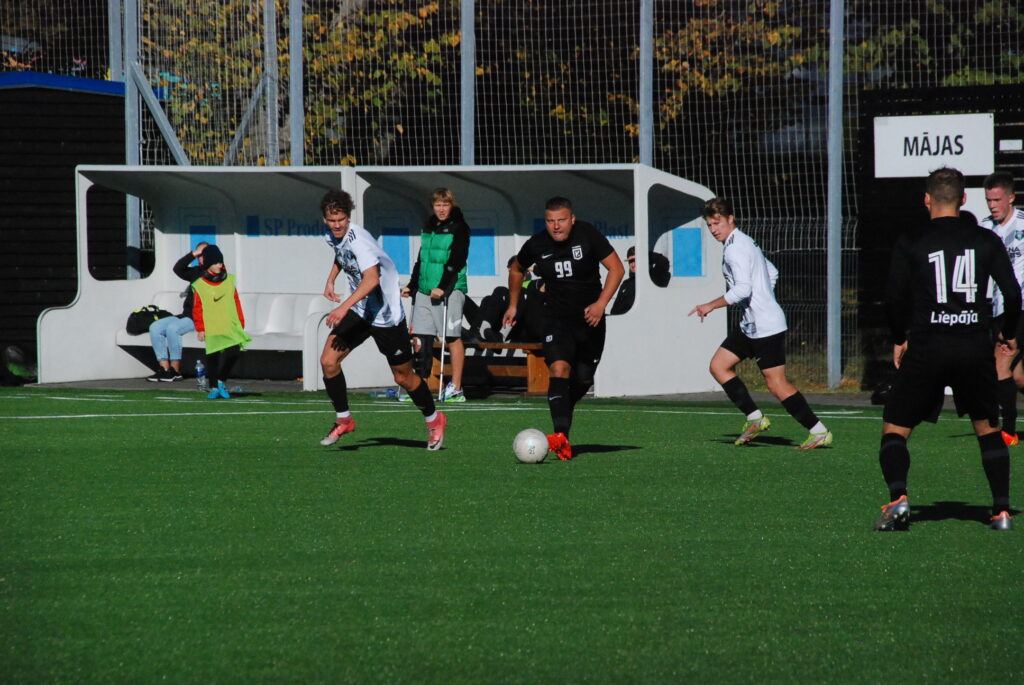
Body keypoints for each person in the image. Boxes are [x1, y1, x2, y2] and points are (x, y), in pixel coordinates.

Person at [873, 167, 1020, 532]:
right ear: (964, 199)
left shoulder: (912, 240)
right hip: (974, 346)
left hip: (928, 346)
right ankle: (1001, 512)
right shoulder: (986, 239)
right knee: (988, 429)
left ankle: (898, 499)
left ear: (927, 199)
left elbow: (892, 298)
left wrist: (899, 337)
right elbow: (1013, 293)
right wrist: (1008, 333)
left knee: (895, 428)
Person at [689, 197, 832, 449]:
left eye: (717, 223)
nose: (713, 229)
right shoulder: (743, 241)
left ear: (730, 218)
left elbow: (743, 289)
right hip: (751, 325)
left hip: (766, 327)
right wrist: (763, 298)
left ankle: (818, 431)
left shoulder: (735, 249)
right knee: (719, 366)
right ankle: (755, 418)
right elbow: (772, 271)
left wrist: (711, 305)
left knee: (776, 384)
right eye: (709, 225)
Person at [318, 189, 447, 450]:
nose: (336, 225)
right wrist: (331, 279)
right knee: (328, 362)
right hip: (361, 311)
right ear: (325, 220)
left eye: (341, 220)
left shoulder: (359, 241)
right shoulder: (333, 236)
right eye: (332, 220)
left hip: (386, 315)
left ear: (348, 217)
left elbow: (372, 279)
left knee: (403, 377)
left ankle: (434, 420)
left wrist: (342, 307)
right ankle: (344, 420)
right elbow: (341, 256)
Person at [502, 196, 625, 460]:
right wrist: (513, 305)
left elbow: (616, 269)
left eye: (561, 220)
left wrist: (601, 304)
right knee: (559, 369)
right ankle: (561, 437)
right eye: (550, 221)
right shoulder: (536, 244)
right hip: (555, 319)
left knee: (583, 379)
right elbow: (516, 270)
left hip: (590, 319)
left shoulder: (588, 234)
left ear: (572, 219)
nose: (556, 226)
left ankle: (562, 412)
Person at [402, 188, 470, 402]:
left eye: (445, 204)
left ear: (451, 205)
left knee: (451, 337)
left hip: (449, 290)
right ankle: (419, 387)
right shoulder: (429, 226)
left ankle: (456, 388)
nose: (441, 209)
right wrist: (412, 285)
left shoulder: (460, 227)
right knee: (420, 338)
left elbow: (457, 259)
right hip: (424, 290)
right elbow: (422, 259)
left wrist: (442, 286)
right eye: (437, 205)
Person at [978, 170, 1024, 445]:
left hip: (1020, 307)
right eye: (988, 200)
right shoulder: (984, 229)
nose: (992, 205)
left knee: (1001, 362)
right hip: (998, 308)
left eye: (997, 200)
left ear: (1011, 198)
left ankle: (1007, 431)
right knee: (1018, 377)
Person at [190, 245, 251, 399]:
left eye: (220, 262)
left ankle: (221, 380)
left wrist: (240, 322)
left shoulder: (229, 280)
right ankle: (214, 388)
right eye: (216, 263)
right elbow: (197, 308)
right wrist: (200, 328)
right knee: (213, 357)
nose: (219, 265)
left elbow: (236, 302)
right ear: (208, 263)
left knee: (234, 352)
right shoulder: (199, 285)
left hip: (229, 324)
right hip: (212, 325)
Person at [146, 242, 208, 381]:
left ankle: (175, 370)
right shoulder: (196, 272)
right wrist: (193, 254)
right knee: (155, 327)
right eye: (200, 255)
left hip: (199, 318)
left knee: (173, 328)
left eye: (204, 254)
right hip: (186, 316)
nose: (202, 257)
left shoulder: (215, 274)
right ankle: (164, 369)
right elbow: (178, 268)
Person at [609, 245, 671, 316]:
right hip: (624, 320)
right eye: (630, 261)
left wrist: (645, 255)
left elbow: (663, 262)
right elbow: (614, 311)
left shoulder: (652, 278)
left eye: (636, 260)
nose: (633, 264)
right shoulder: (625, 284)